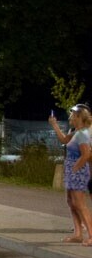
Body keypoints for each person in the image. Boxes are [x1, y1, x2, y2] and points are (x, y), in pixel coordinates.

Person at [49, 104, 92, 245]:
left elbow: (86, 154)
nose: (70, 117)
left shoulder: (82, 134)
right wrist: (54, 124)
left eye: (72, 115)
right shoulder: (76, 132)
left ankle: (91, 234)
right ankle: (78, 233)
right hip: (72, 169)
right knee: (71, 202)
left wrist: (74, 169)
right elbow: (64, 140)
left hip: (77, 171)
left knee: (80, 204)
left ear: (79, 117)